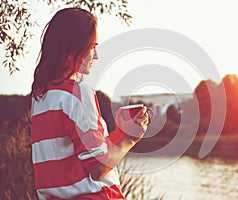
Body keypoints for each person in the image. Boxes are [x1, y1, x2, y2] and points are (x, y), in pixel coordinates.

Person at [30, 8, 149, 199]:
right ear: (72, 50)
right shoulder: (78, 93)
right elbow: (97, 168)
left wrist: (119, 133)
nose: (96, 55)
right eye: (92, 46)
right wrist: (130, 138)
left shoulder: (40, 97)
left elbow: (83, 156)